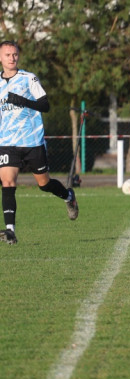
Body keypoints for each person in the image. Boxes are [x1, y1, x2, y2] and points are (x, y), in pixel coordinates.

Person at [0, 40, 78, 244]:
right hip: (7, 142)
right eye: (7, 55)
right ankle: (10, 231)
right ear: (0, 58)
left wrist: (22, 101)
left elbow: (45, 105)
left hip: (32, 141)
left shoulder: (29, 78)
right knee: (7, 182)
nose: (12, 58)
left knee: (44, 184)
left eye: (15, 54)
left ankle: (68, 196)